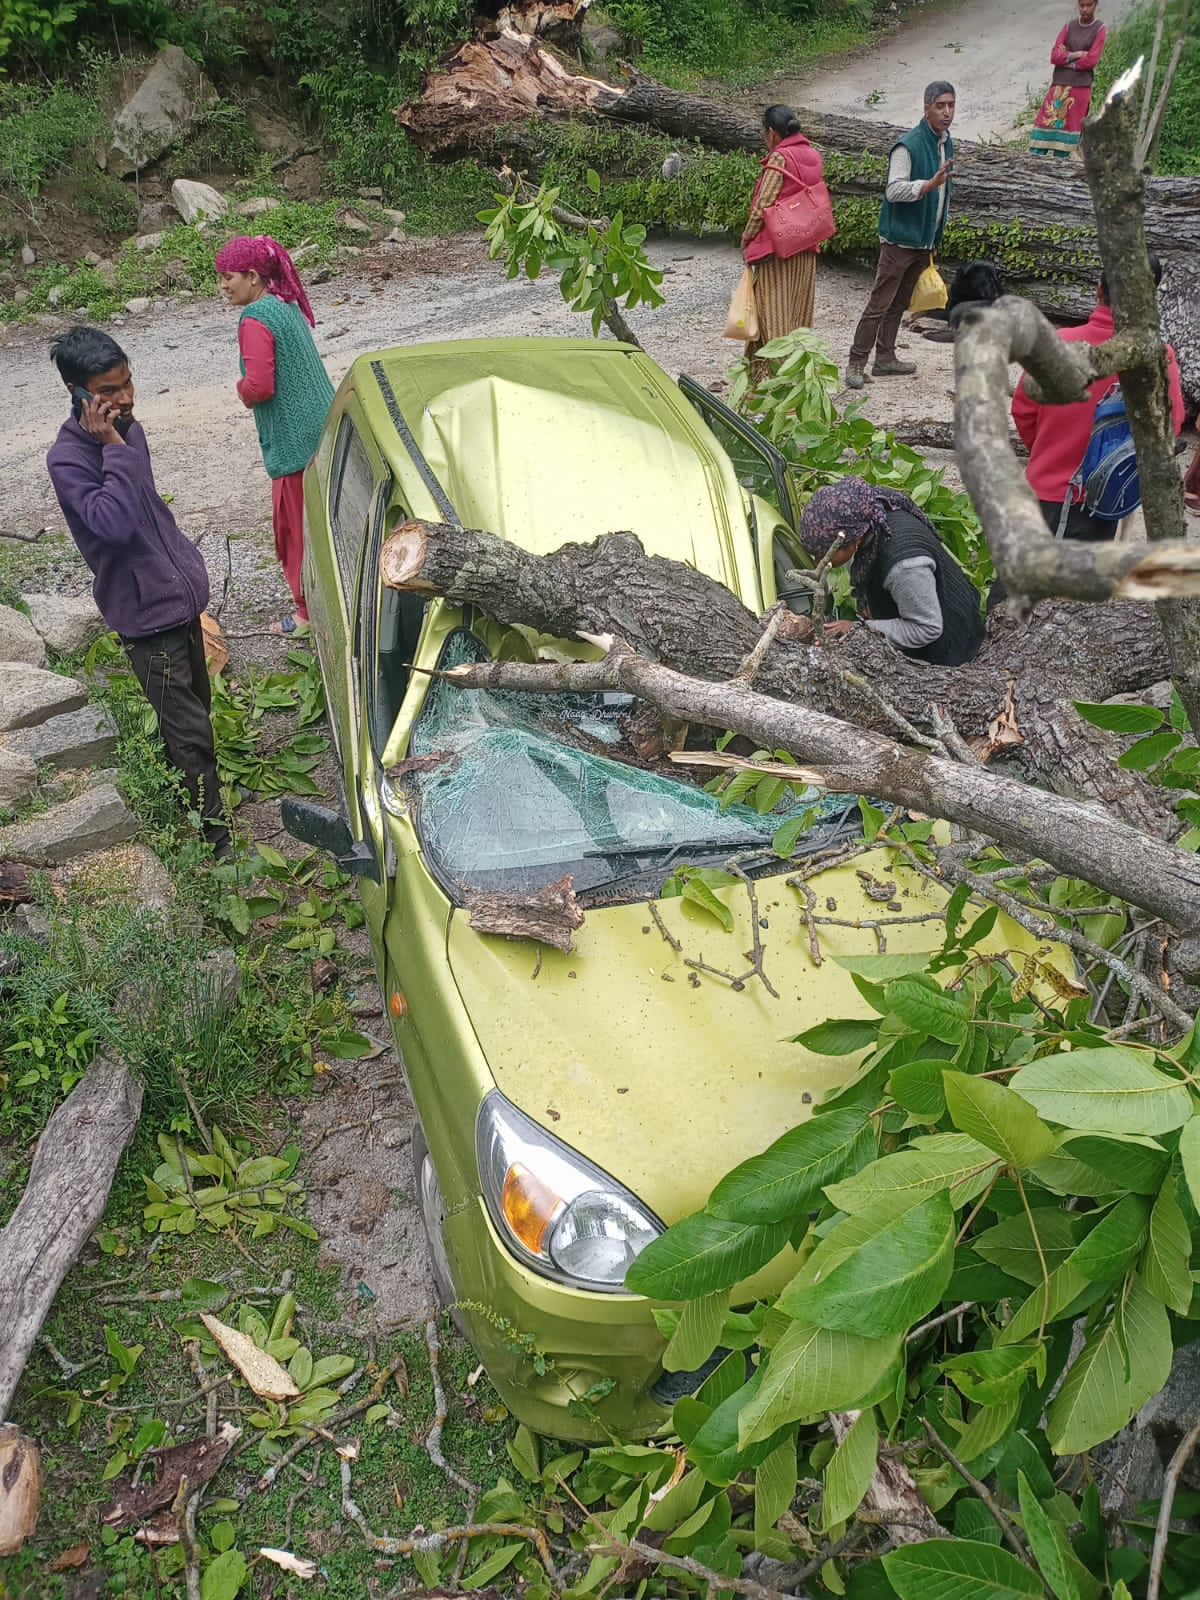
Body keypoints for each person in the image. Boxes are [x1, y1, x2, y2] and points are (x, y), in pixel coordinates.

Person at [45, 327, 230, 856]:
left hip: (176, 601)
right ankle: (215, 844)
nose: (125, 399)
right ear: (78, 393)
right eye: (109, 390)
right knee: (189, 734)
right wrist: (111, 447)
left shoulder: (128, 429)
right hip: (145, 619)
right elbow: (116, 525)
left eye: (127, 383)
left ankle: (196, 805)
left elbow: (150, 513)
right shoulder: (69, 458)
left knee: (195, 712)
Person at [1011, 256, 1186, 540]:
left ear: (1098, 290)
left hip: (1041, 491)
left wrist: (1049, 453)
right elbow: (1170, 428)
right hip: (1103, 501)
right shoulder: (1159, 357)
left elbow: (1023, 412)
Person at [215, 235, 334, 636]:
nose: (223, 285)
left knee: (292, 530)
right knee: (324, 519)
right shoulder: (283, 305)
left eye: (228, 277)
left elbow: (260, 386)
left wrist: (240, 390)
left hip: (294, 443)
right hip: (323, 429)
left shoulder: (254, 320)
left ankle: (305, 613)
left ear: (252, 276)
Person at [796, 477, 985, 667]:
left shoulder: (904, 566)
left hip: (948, 653)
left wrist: (856, 629)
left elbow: (926, 628)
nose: (817, 563)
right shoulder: (871, 514)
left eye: (822, 555)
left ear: (853, 540)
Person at [845, 81, 956, 392]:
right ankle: (856, 362)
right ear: (926, 108)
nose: (946, 112)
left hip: (924, 240)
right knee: (879, 303)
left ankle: (886, 357)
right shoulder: (907, 145)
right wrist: (926, 186)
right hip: (899, 240)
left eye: (951, 105)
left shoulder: (946, 143)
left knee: (901, 302)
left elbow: (944, 191)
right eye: (940, 106)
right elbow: (893, 191)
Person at [740, 104, 825, 383]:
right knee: (797, 318)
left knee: (772, 320)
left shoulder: (780, 158)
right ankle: (756, 383)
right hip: (805, 246)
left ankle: (783, 390)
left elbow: (763, 204)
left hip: (777, 251)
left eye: (764, 133)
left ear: (772, 133)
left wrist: (747, 236)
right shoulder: (812, 154)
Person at [1030, 0, 1107, 159]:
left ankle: (1059, 176)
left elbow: (1091, 60)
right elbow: (1054, 56)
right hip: (1059, 86)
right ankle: (1031, 168)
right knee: (1043, 129)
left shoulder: (1099, 29)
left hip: (1080, 89)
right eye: (1082, 5)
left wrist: (1066, 61)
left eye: (1089, 5)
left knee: (1066, 141)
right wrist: (1076, 55)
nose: (1085, 9)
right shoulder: (1068, 27)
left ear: (1095, 5)